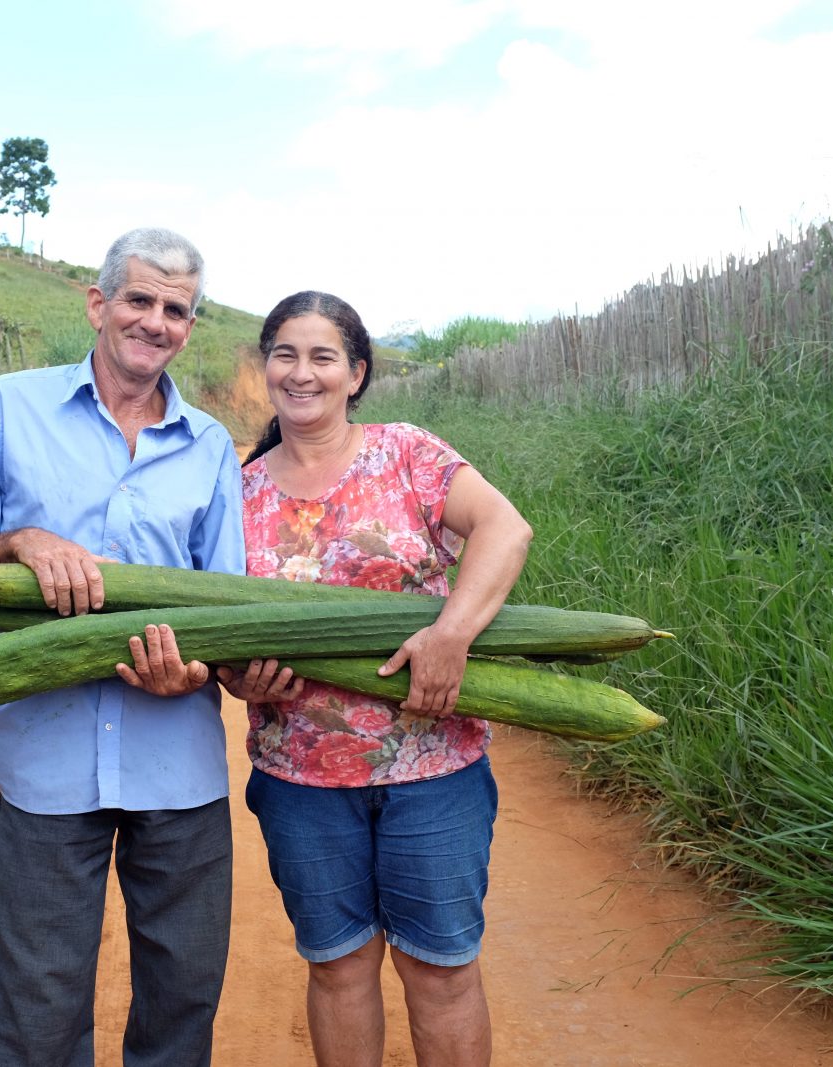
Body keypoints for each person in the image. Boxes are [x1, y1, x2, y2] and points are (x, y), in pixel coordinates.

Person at [0, 227, 245, 1067]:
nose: (156, 321)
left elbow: (231, 608)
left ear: (189, 327)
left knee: (183, 998)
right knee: (35, 1007)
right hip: (45, 761)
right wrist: (21, 541)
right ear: (98, 303)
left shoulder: (210, 446)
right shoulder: (7, 406)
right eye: (139, 299)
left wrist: (198, 671)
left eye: (176, 310)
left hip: (179, 765)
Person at [185, 290, 532, 1066]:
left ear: (356, 372)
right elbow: (221, 633)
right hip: (299, 774)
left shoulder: (407, 454)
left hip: (433, 765)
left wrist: (452, 633)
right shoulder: (234, 493)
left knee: (439, 970)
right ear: (264, 368)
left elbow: (506, 528)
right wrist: (245, 681)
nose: (301, 373)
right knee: (338, 967)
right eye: (285, 354)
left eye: (322, 357)